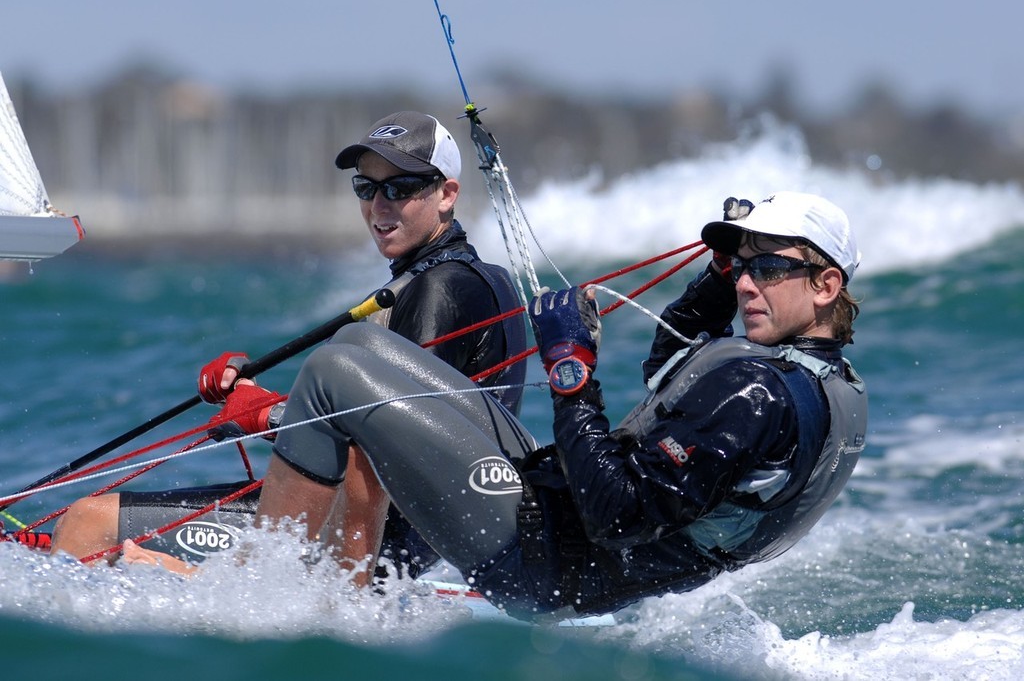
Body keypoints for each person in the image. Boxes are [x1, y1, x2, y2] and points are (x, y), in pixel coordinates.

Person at [239, 189, 868, 620]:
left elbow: (619, 518)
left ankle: (283, 605)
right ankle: (338, 583)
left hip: (544, 562)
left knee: (333, 370)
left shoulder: (756, 396)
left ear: (826, 285)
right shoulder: (816, 383)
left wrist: (570, 370)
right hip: (557, 524)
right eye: (743, 268)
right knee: (363, 343)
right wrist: (717, 274)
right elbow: (673, 368)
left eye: (769, 268)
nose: (748, 283)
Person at [49, 111, 528, 583]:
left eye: (399, 188)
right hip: (412, 541)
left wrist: (265, 415)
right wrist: (255, 398)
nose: (379, 205)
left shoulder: (438, 290)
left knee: (86, 524)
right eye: (367, 188)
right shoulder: (476, 279)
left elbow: (387, 447)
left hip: (367, 547)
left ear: (446, 194)